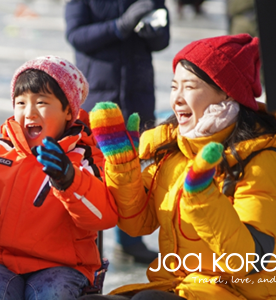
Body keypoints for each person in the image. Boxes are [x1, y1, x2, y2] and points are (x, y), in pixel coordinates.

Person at [81, 34, 276, 300]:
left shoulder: (264, 160)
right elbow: (137, 224)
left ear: (226, 92)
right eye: (174, 87)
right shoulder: (175, 151)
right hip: (180, 288)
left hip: (241, 293)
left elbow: (250, 260)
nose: (177, 99)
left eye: (190, 87)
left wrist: (203, 198)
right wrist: (123, 166)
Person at [0, 56, 118, 299]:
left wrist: (69, 180)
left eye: (42, 102)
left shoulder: (85, 158)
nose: (29, 112)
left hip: (62, 265)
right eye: (21, 103)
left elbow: (103, 215)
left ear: (69, 111)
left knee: (53, 293)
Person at [65, 0, 170, 264]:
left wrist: (153, 31)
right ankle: (89, 241)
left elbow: (163, 40)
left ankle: (130, 240)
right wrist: (119, 26)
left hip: (138, 93)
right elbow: (76, 35)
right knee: (93, 169)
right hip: (98, 96)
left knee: (131, 166)